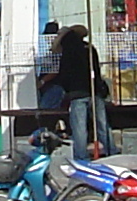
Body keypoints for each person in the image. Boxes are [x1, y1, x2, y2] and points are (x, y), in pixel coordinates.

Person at [43, 24, 112, 159]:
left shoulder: (68, 52)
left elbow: (63, 74)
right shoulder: (90, 49)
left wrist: (66, 89)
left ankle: (81, 155)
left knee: (79, 128)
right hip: (95, 91)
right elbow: (96, 70)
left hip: (77, 94)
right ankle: (112, 150)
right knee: (102, 125)